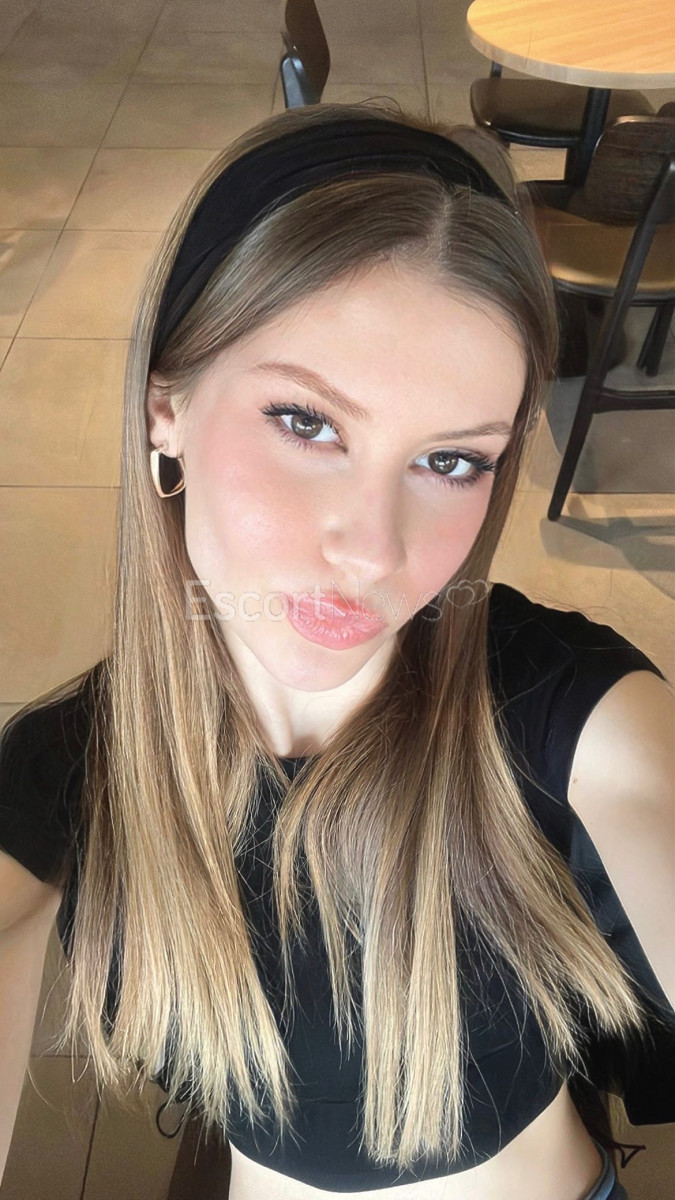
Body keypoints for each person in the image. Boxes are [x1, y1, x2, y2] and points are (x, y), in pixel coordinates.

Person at [0, 103, 673, 1200]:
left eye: (451, 462)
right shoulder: (64, 775)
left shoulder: (569, 710)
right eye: (308, 423)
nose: (374, 549)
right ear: (166, 406)